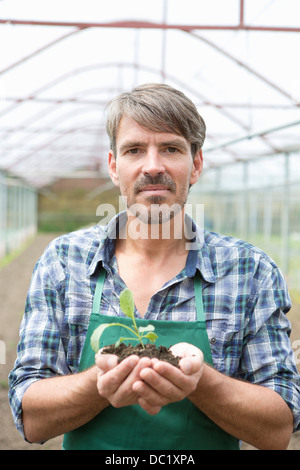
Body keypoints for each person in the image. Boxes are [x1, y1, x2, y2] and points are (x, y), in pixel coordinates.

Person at [9, 83, 300, 450]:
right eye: (134, 150)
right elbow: (31, 418)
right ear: (114, 167)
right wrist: (98, 382)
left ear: (195, 165)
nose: (152, 166)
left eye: (171, 148)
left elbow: (278, 429)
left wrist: (201, 382)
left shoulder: (250, 271)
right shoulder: (64, 262)